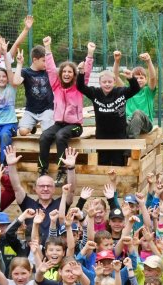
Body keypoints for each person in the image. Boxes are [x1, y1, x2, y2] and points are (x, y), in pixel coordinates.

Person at [36, 38, 94, 184]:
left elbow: (86, 74)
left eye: (70, 72)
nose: (67, 74)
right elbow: (50, 68)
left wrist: (90, 53)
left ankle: (62, 171)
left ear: (74, 75)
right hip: (59, 123)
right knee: (44, 137)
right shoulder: (56, 86)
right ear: (60, 74)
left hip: (75, 126)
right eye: (64, 71)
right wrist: (47, 47)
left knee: (61, 136)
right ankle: (42, 169)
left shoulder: (78, 88)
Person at [76, 48, 142, 165]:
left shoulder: (121, 92)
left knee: (118, 165)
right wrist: (81, 73)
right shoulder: (95, 92)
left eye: (109, 82)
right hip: (102, 137)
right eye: (104, 82)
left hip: (119, 137)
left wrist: (131, 79)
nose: (107, 84)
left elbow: (135, 89)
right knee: (103, 164)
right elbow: (81, 87)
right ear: (100, 83)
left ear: (114, 82)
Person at [113, 51, 158, 137]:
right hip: (129, 122)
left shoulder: (148, 91)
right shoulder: (127, 91)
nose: (139, 80)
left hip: (145, 124)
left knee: (137, 113)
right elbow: (115, 76)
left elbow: (153, 78)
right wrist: (117, 61)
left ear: (145, 80)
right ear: (132, 79)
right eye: (136, 78)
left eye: (141, 78)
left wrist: (148, 61)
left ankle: (132, 142)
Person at [12, 44, 53, 137]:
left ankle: (41, 123)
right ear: (35, 60)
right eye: (44, 61)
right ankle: (32, 125)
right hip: (31, 111)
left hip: (47, 109)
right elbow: (16, 82)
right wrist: (19, 64)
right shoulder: (26, 72)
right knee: (22, 131)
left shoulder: (48, 71)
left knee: (47, 133)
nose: (46, 63)